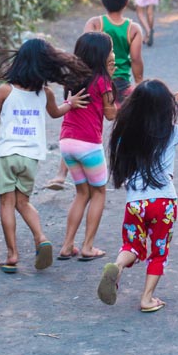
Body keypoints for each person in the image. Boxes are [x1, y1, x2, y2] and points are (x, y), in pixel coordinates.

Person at [0, 39, 90, 274]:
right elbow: (55, 113)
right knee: (23, 202)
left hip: (6, 155)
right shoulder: (45, 94)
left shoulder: (5, 91)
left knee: (7, 203)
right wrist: (70, 104)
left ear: (19, 62)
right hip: (31, 157)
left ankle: (12, 255)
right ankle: (40, 237)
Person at [96, 80, 178, 313]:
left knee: (131, 246)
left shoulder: (126, 133)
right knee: (158, 251)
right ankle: (147, 298)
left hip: (135, 203)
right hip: (163, 203)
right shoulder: (172, 131)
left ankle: (117, 265)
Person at [46, 0, 145, 190]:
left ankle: (61, 175)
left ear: (103, 0)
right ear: (126, 1)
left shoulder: (95, 23)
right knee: (126, 126)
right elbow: (136, 59)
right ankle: (128, 171)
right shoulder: (133, 28)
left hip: (90, 79)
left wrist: (76, 76)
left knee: (76, 121)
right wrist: (139, 83)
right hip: (119, 83)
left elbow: (84, 50)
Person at [56, 32, 119, 262]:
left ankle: (66, 245)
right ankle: (88, 246)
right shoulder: (102, 80)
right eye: (110, 50)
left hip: (67, 142)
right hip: (88, 144)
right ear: (102, 55)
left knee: (81, 193)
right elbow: (111, 115)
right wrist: (111, 82)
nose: (113, 54)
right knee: (99, 192)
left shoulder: (72, 78)